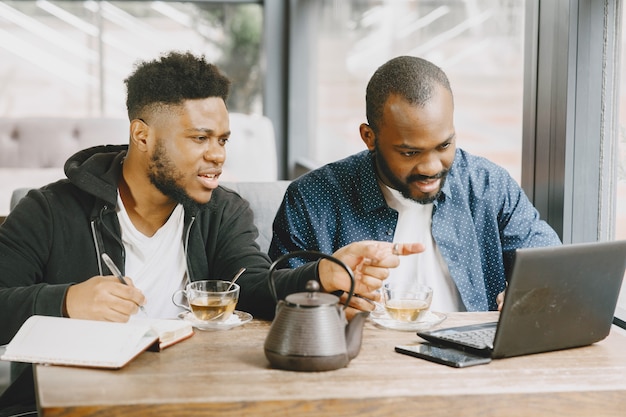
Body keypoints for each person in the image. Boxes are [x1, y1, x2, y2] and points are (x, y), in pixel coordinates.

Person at [0, 51, 422, 413]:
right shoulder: (49, 210)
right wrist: (67, 300)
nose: (217, 155)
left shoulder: (223, 212)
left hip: (194, 399)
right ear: (142, 135)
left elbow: (256, 287)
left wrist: (323, 275)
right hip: (75, 404)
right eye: (200, 138)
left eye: (222, 139)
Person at [269, 55, 561, 314]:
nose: (432, 167)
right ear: (369, 137)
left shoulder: (488, 186)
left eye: (444, 145)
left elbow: (550, 263)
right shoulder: (312, 199)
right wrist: (325, 306)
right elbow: (273, 297)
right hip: (361, 365)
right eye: (410, 153)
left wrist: (533, 290)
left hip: (475, 365)